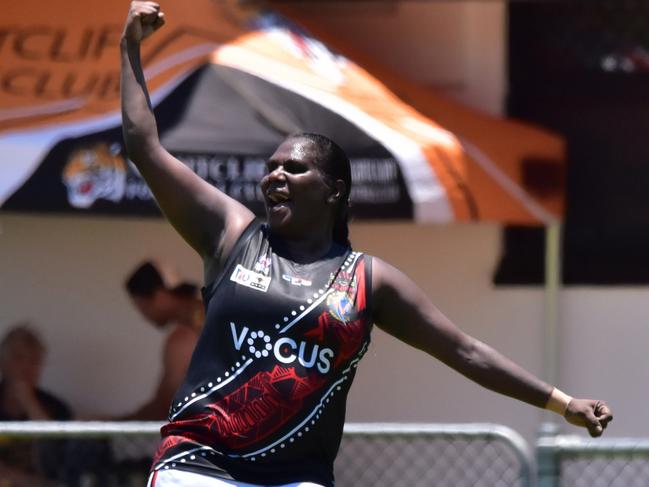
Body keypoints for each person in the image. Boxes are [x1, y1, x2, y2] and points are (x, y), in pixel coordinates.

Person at [120, 2, 613, 486]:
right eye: (272, 167)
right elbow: (145, 147)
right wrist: (130, 47)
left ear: (334, 190)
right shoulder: (233, 235)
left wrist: (562, 402)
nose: (276, 176)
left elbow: (465, 351)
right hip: (199, 466)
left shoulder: (366, 281)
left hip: (297, 479)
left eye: (295, 168)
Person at [121, 261, 203, 420]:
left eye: (143, 307)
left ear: (160, 297)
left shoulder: (183, 338)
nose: (144, 316)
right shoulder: (213, 313)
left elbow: (167, 404)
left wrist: (116, 426)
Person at [0, 324, 72, 485]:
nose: (26, 367)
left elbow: (61, 462)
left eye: (34, 361)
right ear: (2, 363)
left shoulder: (57, 408)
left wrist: (30, 404)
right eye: (18, 358)